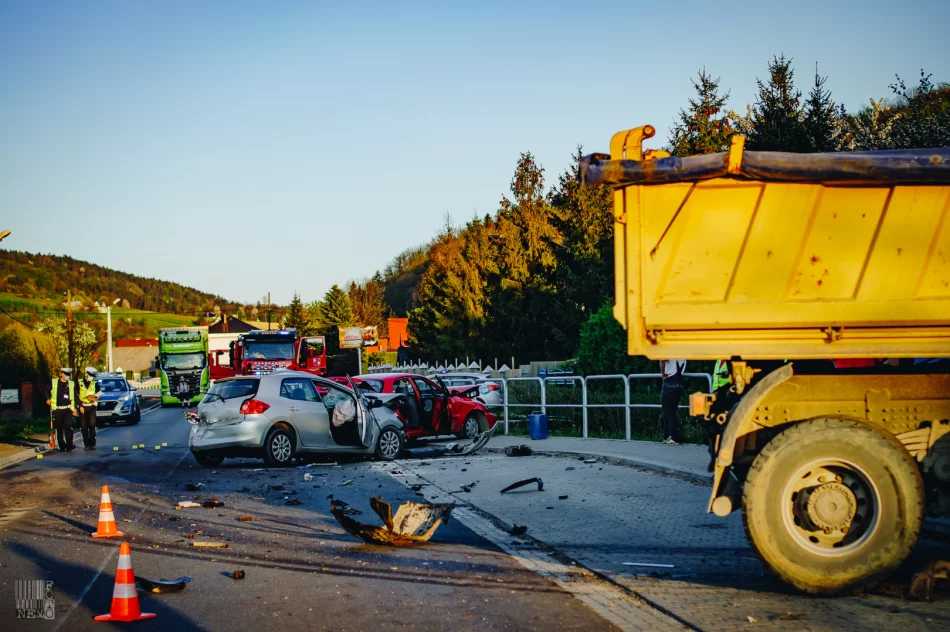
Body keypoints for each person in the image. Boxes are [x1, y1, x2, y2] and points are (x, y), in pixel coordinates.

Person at [46, 368, 76, 452]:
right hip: (57, 409)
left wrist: (75, 408)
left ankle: (69, 445)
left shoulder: (71, 384)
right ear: (62, 374)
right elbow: (46, 390)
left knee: (68, 427)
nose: (67, 377)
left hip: (68, 409)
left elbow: (75, 396)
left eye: (69, 375)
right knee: (59, 428)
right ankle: (62, 446)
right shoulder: (54, 382)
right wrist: (48, 398)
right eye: (66, 374)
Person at [660, 359, 687, 445]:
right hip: (679, 384)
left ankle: (672, 436)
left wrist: (662, 372)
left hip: (670, 383)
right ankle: (670, 436)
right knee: (672, 411)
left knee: (668, 411)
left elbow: (662, 359)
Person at [78, 367, 100, 450]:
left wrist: (96, 396)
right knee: (83, 427)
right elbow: (76, 395)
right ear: (86, 374)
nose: (91, 377)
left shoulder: (94, 382)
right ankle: (86, 444)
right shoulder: (79, 382)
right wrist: (80, 405)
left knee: (92, 424)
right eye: (90, 375)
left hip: (92, 406)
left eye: (92, 375)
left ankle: (92, 442)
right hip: (83, 406)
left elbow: (100, 391)